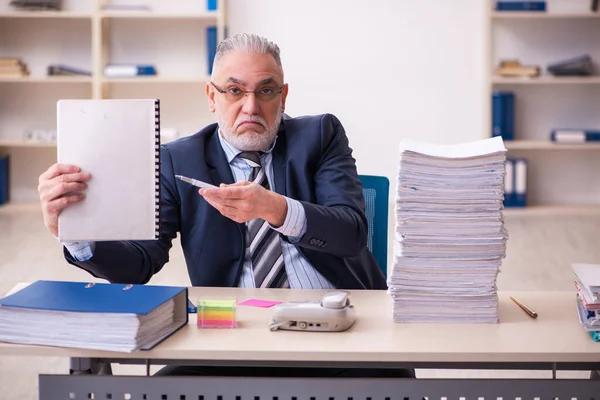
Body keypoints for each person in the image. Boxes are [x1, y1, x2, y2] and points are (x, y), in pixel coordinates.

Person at [38, 33, 413, 378]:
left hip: (339, 331)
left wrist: (275, 209)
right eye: (235, 90)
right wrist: (77, 232)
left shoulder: (319, 135)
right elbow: (139, 263)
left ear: (282, 98)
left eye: (266, 91)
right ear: (211, 96)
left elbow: (351, 233)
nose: (251, 106)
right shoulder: (177, 160)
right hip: (232, 338)